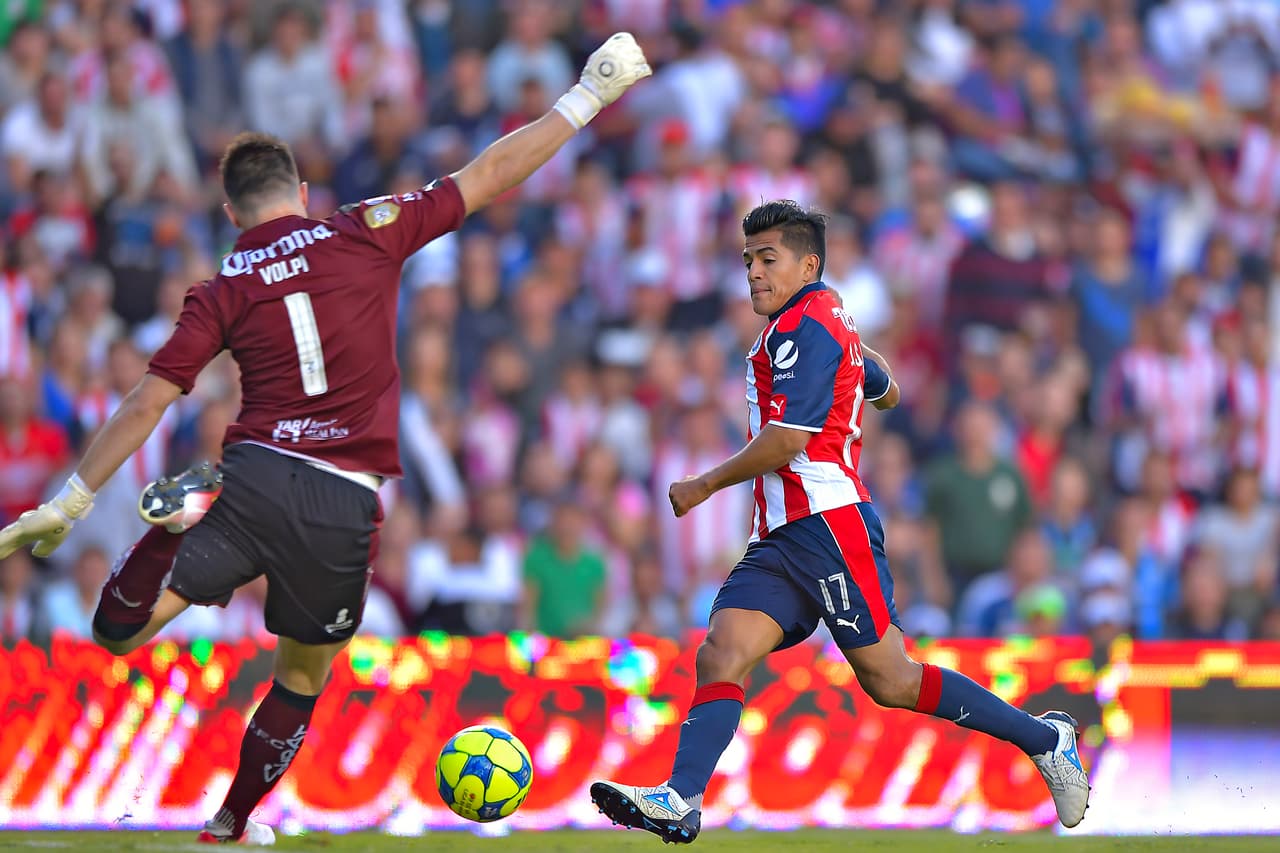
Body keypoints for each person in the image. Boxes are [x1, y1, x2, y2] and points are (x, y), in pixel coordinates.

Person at [0, 33, 651, 846]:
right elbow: (488, 174)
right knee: (303, 676)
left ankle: (170, 530)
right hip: (342, 498)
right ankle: (231, 820)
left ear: (231, 212)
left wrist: (70, 498)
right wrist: (587, 96)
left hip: (253, 479)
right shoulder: (365, 229)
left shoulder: (221, 288)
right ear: (302, 193)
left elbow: (146, 401)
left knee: (118, 633)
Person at [589, 200, 1089, 844]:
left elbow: (790, 439)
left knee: (892, 680)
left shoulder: (806, 327)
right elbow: (888, 390)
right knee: (722, 651)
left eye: (768, 259)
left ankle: (1045, 739)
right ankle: (680, 798)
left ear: (808, 265)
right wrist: (859, 360)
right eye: (748, 260)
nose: (753, 272)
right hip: (781, 535)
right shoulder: (821, 319)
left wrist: (704, 484)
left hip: (828, 526)